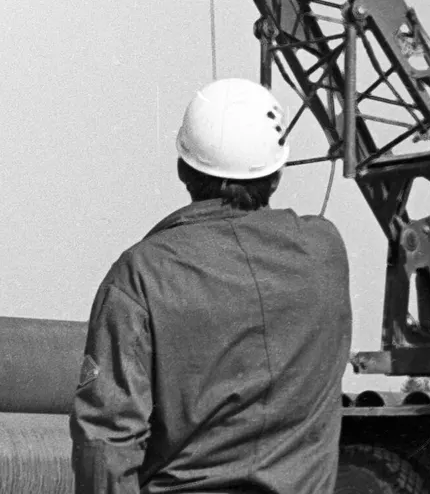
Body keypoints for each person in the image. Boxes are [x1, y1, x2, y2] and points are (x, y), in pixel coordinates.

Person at [70, 78, 351, 494]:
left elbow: (107, 439)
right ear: (275, 176)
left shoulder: (143, 274)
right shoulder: (325, 252)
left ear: (183, 169)